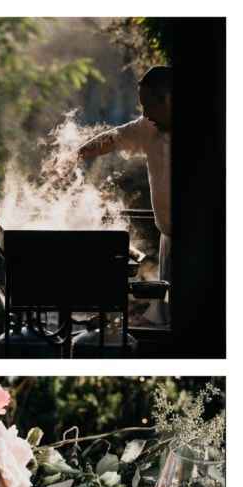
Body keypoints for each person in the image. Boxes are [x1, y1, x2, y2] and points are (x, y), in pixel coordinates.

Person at [77, 66, 171, 326]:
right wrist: (77, 154)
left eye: (149, 105)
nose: (145, 113)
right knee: (165, 318)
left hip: (203, 246)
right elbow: (114, 138)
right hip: (169, 239)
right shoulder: (148, 127)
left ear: (169, 99)